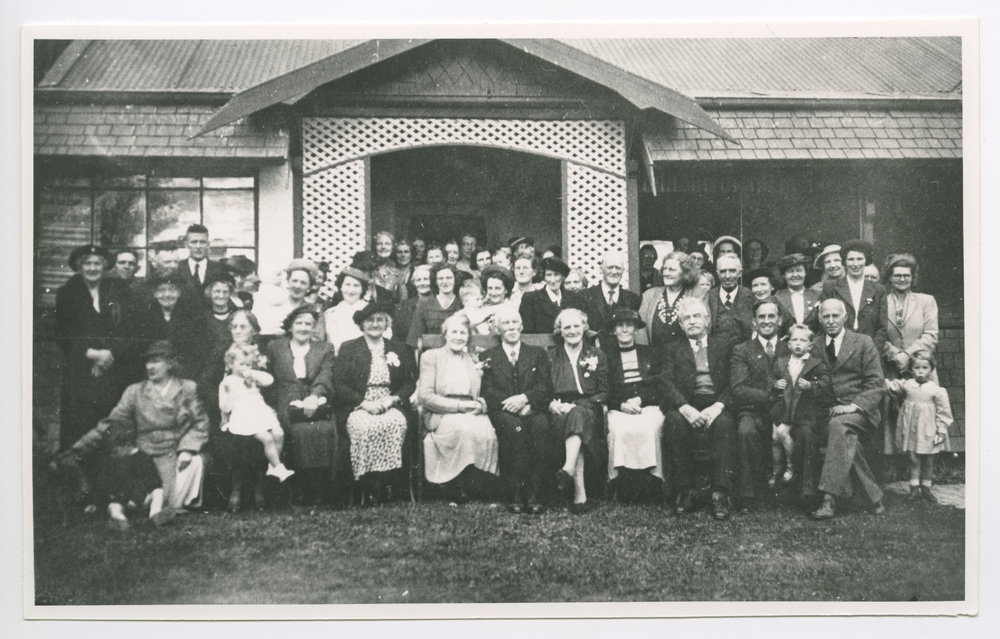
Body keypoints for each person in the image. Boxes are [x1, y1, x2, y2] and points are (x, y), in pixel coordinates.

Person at [94, 341, 209, 519]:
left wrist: (187, 448)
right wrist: (77, 450)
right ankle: (141, 506)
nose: (150, 366)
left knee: (195, 461)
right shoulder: (135, 391)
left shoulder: (187, 388)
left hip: (174, 452)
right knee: (145, 488)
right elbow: (112, 423)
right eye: (148, 362)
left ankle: (162, 506)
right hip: (144, 454)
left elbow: (200, 423)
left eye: (156, 361)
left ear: (170, 363)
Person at [660, 297, 737, 520]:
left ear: (707, 320)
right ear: (681, 325)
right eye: (686, 318)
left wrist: (719, 406)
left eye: (696, 316)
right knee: (674, 422)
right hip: (687, 403)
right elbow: (665, 381)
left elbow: (735, 381)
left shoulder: (724, 345)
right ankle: (685, 491)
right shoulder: (672, 349)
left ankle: (720, 492)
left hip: (717, 402)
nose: (692, 321)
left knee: (724, 424)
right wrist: (684, 408)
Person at [809, 299, 887, 520]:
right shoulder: (813, 345)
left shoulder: (863, 342)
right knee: (844, 436)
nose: (831, 320)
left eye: (836, 316)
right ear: (820, 318)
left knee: (839, 425)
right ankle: (874, 496)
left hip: (860, 411)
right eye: (826, 316)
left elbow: (876, 383)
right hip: (827, 411)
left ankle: (829, 498)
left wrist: (854, 406)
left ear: (846, 318)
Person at [333, 303, 417, 504]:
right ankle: (367, 485)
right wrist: (363, 403)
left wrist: (394, 399)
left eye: (380, 320)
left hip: (390, 401)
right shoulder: (349, 348)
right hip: (359, 403)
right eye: (370, 320)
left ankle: (388, 484)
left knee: (395, 424)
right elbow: (339, 383)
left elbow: (409, 381)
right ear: (362, 324)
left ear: (387, 323)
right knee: (364, 427)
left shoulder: (398, 348)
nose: (375, 324)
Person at [55, 244, 133, 452]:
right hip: (80, 369)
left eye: (96, 263)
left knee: (110, 421)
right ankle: (77, 475)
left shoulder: (118, 291)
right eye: (87, 264)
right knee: (80, 423)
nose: (92, 268)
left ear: (105, 266)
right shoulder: (67, 293)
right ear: (79, 267)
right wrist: (91, 354)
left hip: (112, 367)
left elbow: (129, 328)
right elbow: (62, 334)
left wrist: (110, 354)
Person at [418, 312, 499, 503]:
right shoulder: (431, 357)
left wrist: (481, 405)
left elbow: (482, 392)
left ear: (467, 337)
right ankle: (455, 487)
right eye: (453, 332)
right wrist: (460, 407)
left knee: (487, 432)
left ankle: (476, 486)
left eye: (463, 333)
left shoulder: (472, 359)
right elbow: (425, 396)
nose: (458, 337)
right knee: (462, 429)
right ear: (445, 335)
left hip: (471, 408)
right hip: (442, 410)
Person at [479, 306, 554, 514]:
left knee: (541, 426)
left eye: (515, 323)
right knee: (514, 430)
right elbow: (487, 390)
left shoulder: (536, 354)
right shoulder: (489, 355)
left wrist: (525, 399)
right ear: (498, 329)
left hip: (532, 408)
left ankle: (535, 492)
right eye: (506, 323)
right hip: (503, 411)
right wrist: (510, 403)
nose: (511, 327)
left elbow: (545, 386)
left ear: (521, 326)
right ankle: (515, 493)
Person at [265, 306, 341, 505]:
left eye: (308, 324)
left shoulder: (324, 348)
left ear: (314, 328)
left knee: (323, 428)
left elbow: (326, 375)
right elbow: (268, 378)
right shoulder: (275, 347)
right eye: (299, 323)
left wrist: (315, 396)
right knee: (298, 430)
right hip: (285, 398)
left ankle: (319, 487)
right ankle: (298, 486)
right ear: (290, 326)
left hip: (315, 396)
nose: (303, 328)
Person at [876, 253, 940, 454]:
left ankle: (922, 465)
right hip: (891, 366)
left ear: (913, 277)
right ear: (889, 277)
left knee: (923, 414)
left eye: (906, 275)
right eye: (897, 275)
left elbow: (931, 335)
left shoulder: (926, 301)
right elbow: (878, 334)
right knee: (890, 411)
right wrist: (895, 354)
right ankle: (894, 461)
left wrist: (908, 356)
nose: (902, 279)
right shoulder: (881, 302)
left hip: (920, 367)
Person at [730, 299, 789, 510]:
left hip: (786, 411)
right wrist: (771, 396)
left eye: (771, 316)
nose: (766, 321)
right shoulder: (742, 350)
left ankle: (797, 493)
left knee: (803, 430)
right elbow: (739, 388)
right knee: (746, 430)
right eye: (761, 317)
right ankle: (749, 495)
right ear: (754, 322)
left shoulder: (791, 347)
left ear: (780, 320)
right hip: (754, 410)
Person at [604, 308, 666, 502]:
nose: (624, 330)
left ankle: (654, 481)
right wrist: (621, 405)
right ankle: (621, 482)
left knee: (652, 428)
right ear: (614, 330)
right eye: (619, 326)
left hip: (647, 404)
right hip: (619, 407)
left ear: (635, 329)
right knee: (618, 431)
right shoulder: (606, 356)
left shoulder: (650, 353)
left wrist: (641, 400)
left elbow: (659, 384)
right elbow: (605, 389)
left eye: (628, 325)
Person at [549, 308, 607, 514]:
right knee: (575, 420)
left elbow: (604, 392)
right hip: (560, 410)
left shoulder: (596, 355)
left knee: (578, 414)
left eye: (576, 326)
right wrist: (551, 404)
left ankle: (569, 472)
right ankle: (578, 491)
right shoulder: (552, 356)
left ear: (584, 327)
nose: (572, 330)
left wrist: (582, 405)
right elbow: (545, 389)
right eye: (567, 327)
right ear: (560, 331)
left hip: (589, 408)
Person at [768, 324, 832, 493]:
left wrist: (812, 385)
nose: (798, 343)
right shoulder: (782, 362)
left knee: (782, 433)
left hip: (804, 411)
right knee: (775, 437)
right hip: (783, 408)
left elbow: (826, 383)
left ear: (810, 345)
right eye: (794, 340)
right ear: (788, 344)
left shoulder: (816, 364)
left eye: (803, 340)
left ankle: (791, 465)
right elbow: (770, 378)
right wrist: (775, 384)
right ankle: (776, 469)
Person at [884, 351, 953, 503]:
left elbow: (944, 412)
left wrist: (941, 430)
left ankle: (926, 489)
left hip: (928, 430)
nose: (921, 371)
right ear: (911, 369)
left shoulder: (936, 390)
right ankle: (914, 489)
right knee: (913, 458)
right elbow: (891, 387)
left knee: (928, 459)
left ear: (931, 369)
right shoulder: (908, 385)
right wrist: (879, 379)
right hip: (911, 429)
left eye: (925, 367)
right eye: (917, 368)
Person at [219, 343, 294, 482]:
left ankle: (273, 466)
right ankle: (278, 467)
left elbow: (269, 380)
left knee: (279, 433)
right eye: (241, 364)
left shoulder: (252, 377)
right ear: (230, 364)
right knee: (268, 438)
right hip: (244, 416)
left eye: (248, 364)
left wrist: (252, 373)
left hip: (260, 411)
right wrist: (229, 395)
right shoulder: (227, 382)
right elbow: (225, 408)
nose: (245, 368)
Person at [131, 274, 208, 382]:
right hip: (152, 374)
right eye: (162, 290)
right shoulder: (145, 317)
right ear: (155, 294)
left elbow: (197, 352)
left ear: (179, 293)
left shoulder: (192, 317)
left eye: (172, 290)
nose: (167, 294)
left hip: (185, 374)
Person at [812, 240, 885, 338]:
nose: (855, 264)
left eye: (860, 259)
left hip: (870, 348)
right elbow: (822, 322)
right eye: (851, 259)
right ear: (844, 262)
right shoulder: (831, 287)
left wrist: (873, 351)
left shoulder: (878, 290)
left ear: (866, 261)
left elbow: (882, 328)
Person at [636, 251, 702, 347]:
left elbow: (702, 329)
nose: (666, 273)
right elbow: (641, 329)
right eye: (664, 269)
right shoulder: (649, 295)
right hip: (654, 357)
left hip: (686, 359)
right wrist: (645, 354)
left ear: (685, 272)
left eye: (672, 270)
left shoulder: (696, 294)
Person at [581, 250, 642, 351]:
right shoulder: (584, 296)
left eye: (618, 268)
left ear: (623, 271)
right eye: (610, 267)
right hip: (593, 354)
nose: (614, 272)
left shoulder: (633, 299)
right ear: (601, 269)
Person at [254, 258, 323, 336]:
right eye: (294, 281)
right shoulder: (274, 305)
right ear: (288, 282)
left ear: (309, 287)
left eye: (303, 283)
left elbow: (318, 338)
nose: (298, 286)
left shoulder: (313, 310)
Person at [519, 256, 586, 334]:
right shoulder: (530, 299)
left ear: (562, 277)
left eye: (556, 274)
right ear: (544, 277)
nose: (553, 280)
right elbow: (526, 334)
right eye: (549, 275)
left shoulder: (575, 298)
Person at [406, 262, 463, 348]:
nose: (445, 281)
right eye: (440, 278)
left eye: (449, 278)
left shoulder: (462, 303)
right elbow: (416, 340)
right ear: (435, 281)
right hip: (432, 357)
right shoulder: (424, 304)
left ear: (455, 279)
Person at [706, 253, 755, 344]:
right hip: (716, 354)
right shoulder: (708, 297)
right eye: (723, 271)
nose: (727, 276)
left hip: (745, 354)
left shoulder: (751, 296)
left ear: (740, 273)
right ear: (717, 274)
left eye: (732, 271)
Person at [324, 266, 373, 355]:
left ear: (362, 289)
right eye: (347, 285)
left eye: (356, 286)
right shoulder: (330, 314)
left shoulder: (371, 311)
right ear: (341, 287)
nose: (351, 290)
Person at [774, 253, 819, 326]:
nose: (795, 275)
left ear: (805, 273)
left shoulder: (816, 296)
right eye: (790, 271)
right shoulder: (777, 298)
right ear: (784, 275)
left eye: (799, 270)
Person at [179, 224, 226, 292]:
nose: (198, 246)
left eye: (202, 242)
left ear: (208, 244)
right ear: (186, 245)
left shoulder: (220, 269)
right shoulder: (178, 268)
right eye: (194, 242)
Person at [203, 273, 237, 343]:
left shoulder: (238, 315)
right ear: (210, 292)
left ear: (230, 294)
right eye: (217, 291)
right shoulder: (203, 317)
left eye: (225, 292)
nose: (221, 296)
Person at [371, 231, 402, 296]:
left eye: (387, 244)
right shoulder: (368, 268)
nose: (383, 247)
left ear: (393, 247)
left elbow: (402, 300)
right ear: (375, 247)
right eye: (379, 244)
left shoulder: (397, 272)